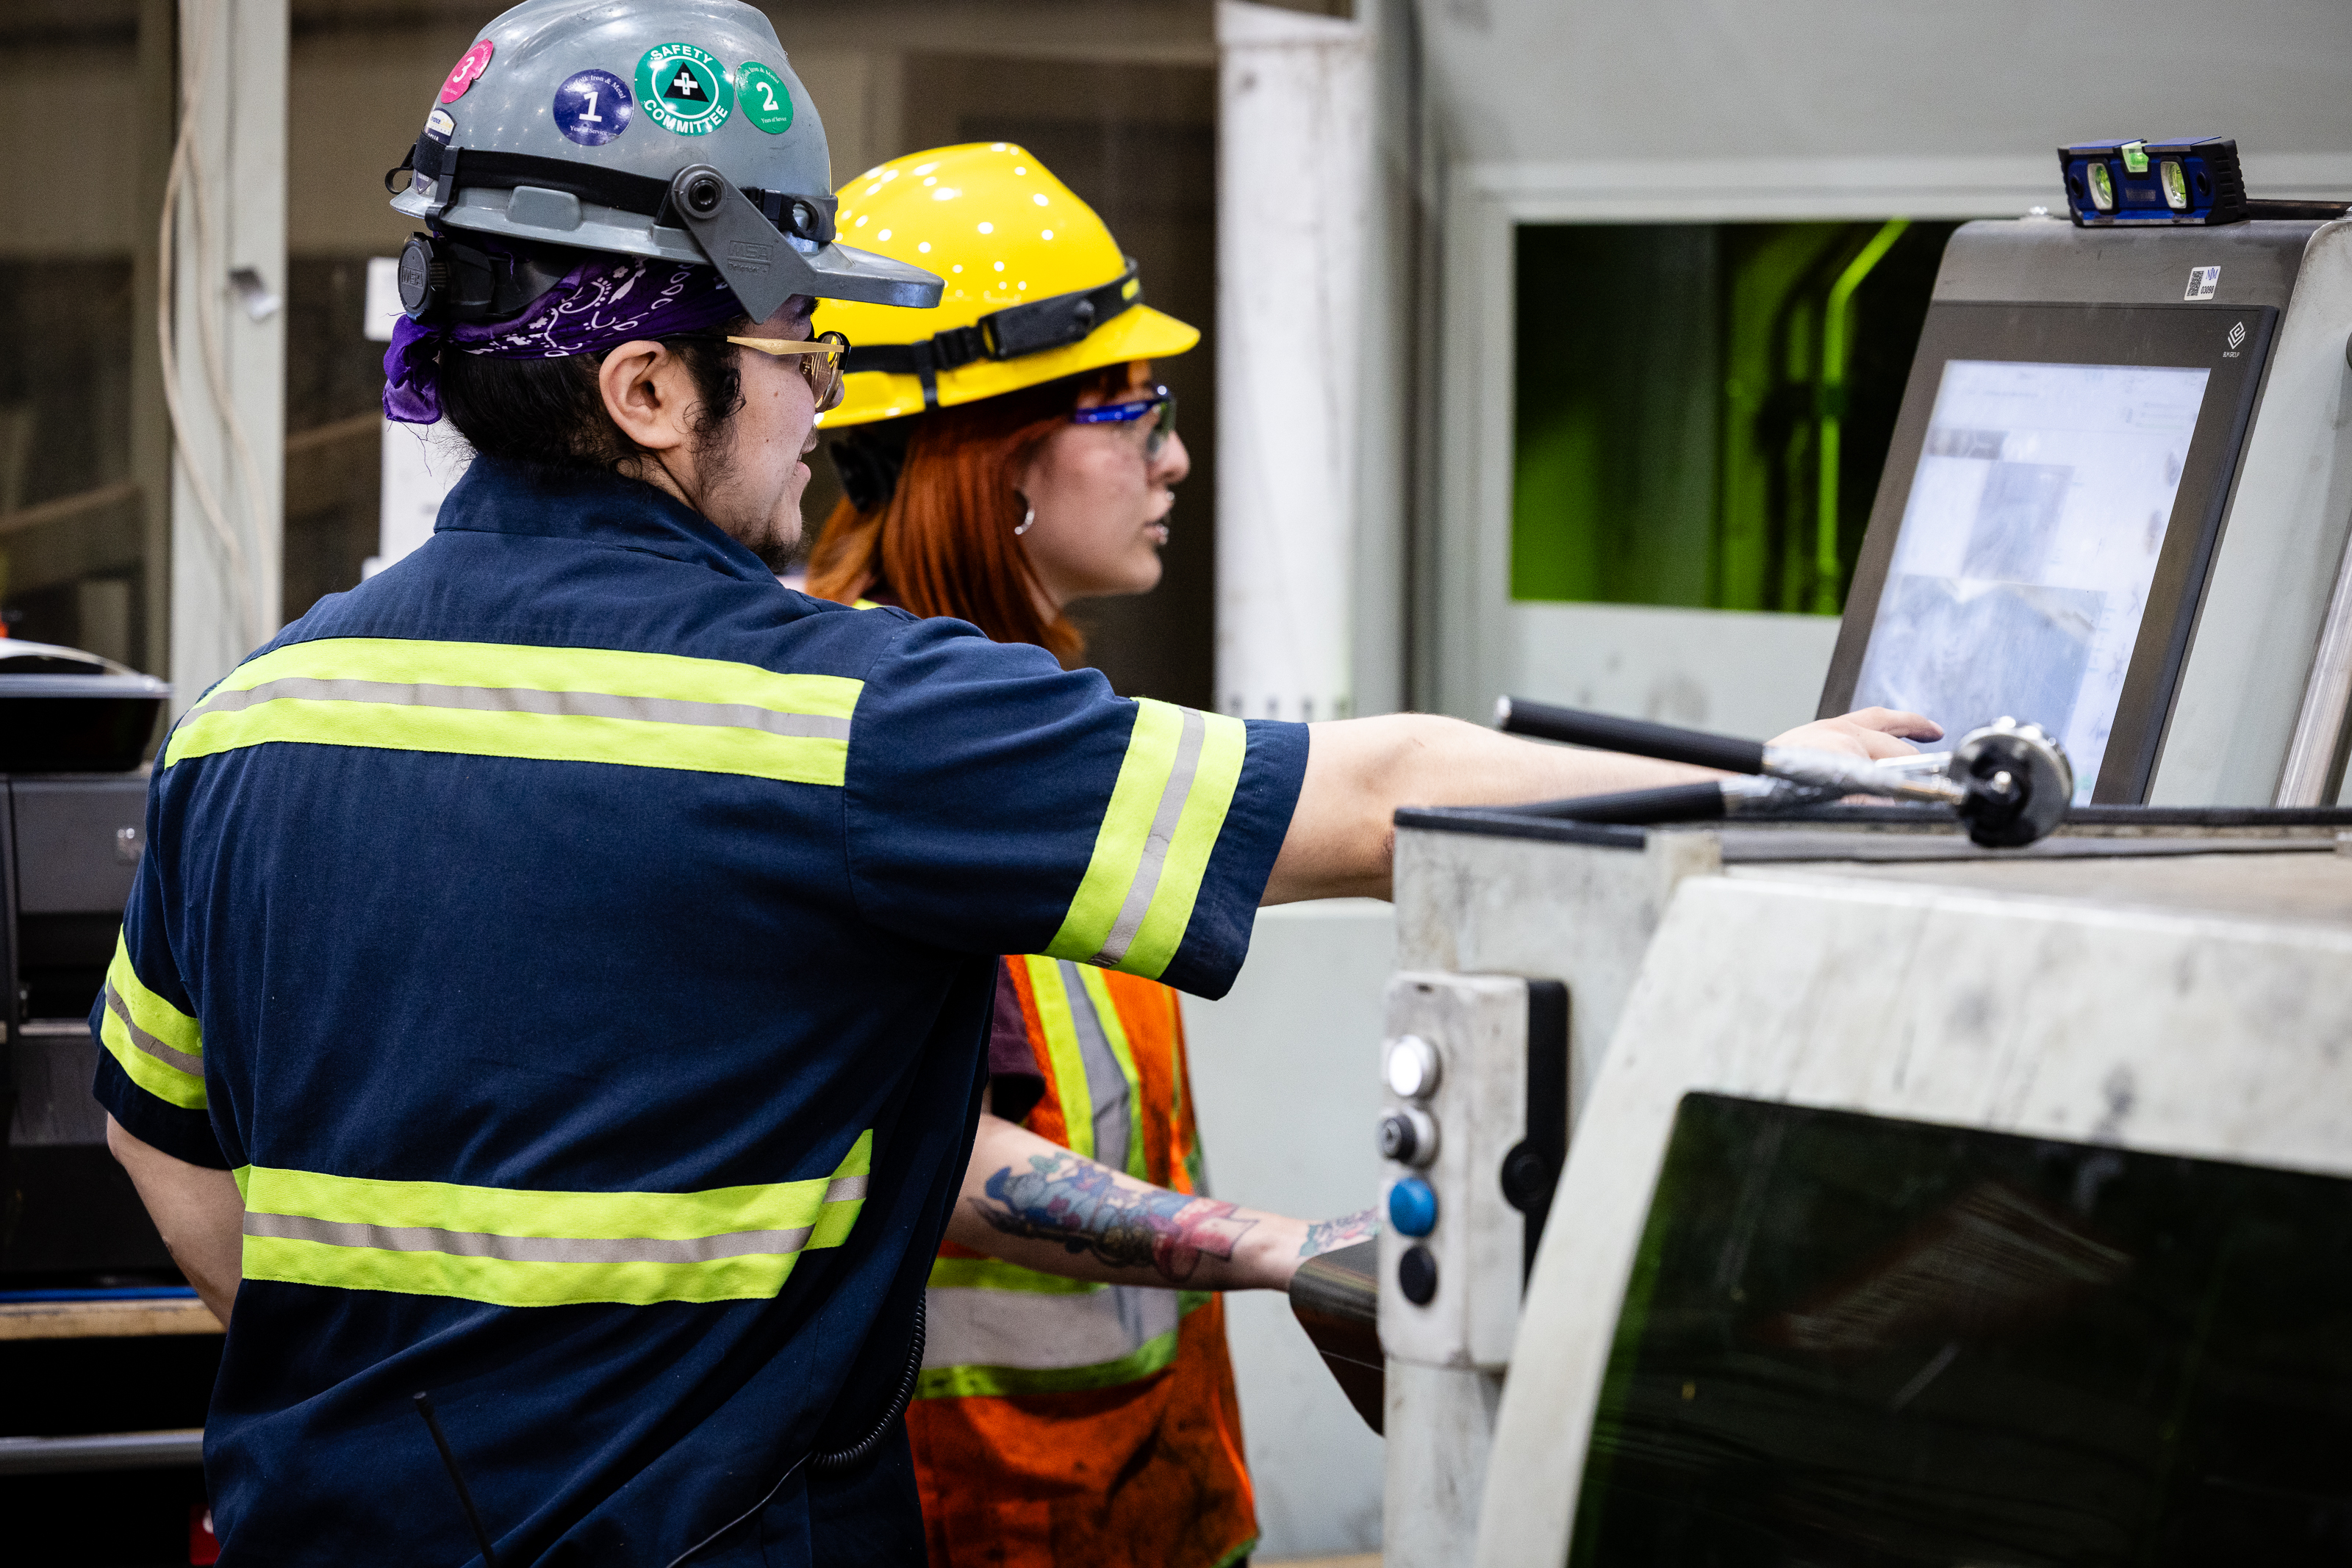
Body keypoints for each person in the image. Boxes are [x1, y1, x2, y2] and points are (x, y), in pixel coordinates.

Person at [96, 4, 1937, 1562]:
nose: (820, 402)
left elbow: (168, 1160)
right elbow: (1380, 795)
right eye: (790, 354)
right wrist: (1800, 787)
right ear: (651, 392)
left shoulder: (247, 717)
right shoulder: (843, 722)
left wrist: (444, 1406)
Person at [804, 141, 1367, 1568]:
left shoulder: (1022, 725)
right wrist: (1285, 1246)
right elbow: (920, 1156)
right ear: (996, 454)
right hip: (974, 1521)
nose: (1174, 456)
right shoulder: (890, 746)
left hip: (1131, 1496)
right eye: (1136, 410)